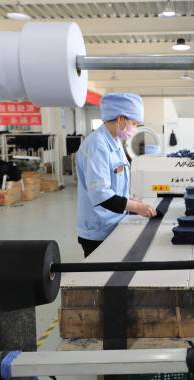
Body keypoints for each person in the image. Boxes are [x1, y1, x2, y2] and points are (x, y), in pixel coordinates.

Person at [76, 93, 157, 257]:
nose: (134, 128)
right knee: (101, 279)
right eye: (133, 123)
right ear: (121, 119)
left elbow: (114, 182)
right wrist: (137, 207)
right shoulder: (97, 146)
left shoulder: (115, 142)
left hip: (114, 223)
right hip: (99, 230)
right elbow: (102, 195)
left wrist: (128, 198)